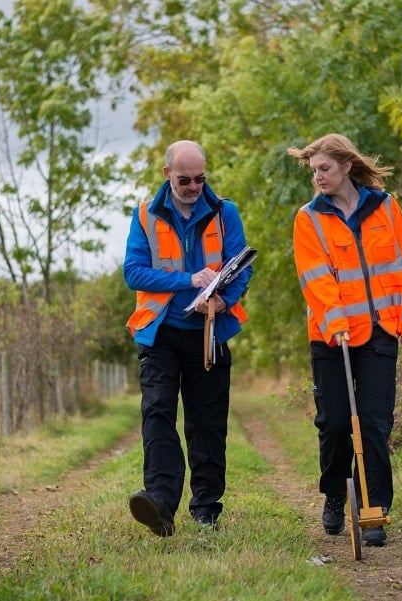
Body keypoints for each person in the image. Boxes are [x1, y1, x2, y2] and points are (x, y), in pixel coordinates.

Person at [288, 133, 402, 547]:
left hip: (381, 330)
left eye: (325, 169)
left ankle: (373, 510)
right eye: (314, 171)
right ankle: (334, 495)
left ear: (347, 166)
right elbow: (315, 278)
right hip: (333, 338)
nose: (319, 177)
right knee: (333, 423)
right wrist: (336, 322)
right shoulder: (308, 218)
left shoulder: (386, 208)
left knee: (374, 423)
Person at [123, 140, 252, 536]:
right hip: (160, 334)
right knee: (158, 412)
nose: (194, 185)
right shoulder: (144, 215)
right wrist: (187, 280)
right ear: (167, 175)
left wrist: (220, 301)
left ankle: (206, 509)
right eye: (185, 179)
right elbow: (134, 272)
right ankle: (160, 503)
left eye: (200, 178)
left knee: (207, 423)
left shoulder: (225, 212)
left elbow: (241, 268)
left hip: (208, 334)